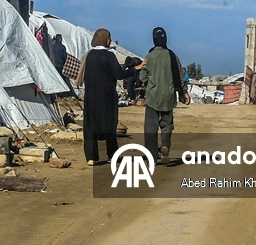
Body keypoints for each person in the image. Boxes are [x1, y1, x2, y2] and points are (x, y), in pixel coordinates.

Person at [77, 29, 142, 164]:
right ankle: (112, 155)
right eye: (109, 38)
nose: (110, 40)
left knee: (91, 125)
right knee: (109, 125)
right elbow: (119, 74)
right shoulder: (109, 56)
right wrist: (135, 69)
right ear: (104, 39)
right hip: (107, 96)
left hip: (91, 96)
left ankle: (91, 157)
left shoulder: (89, 56)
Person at [139, 27, 186, 163]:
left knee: (150, 127)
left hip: (153, 96)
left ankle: (152, 156)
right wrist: (184, 92)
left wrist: (149, 80)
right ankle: (165, 145)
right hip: (169, 95)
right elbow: (180, 76)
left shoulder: (149, 56)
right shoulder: (173, 56)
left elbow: (143, 76)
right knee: (167, 125)